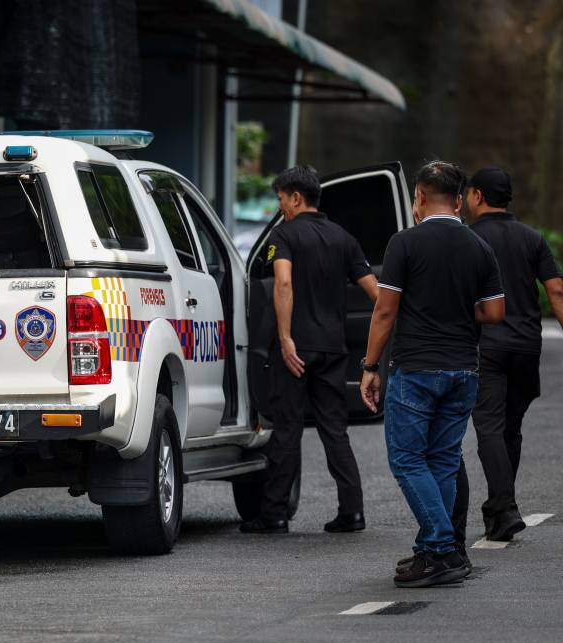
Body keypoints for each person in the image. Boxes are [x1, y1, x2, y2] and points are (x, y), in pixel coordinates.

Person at [360, 160, 504, 588]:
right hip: (464, 369)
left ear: (418, 198)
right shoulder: (479, 247)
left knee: (406, 460)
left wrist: (370, 366)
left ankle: (440, 547)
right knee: (442, 459)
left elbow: (385, 310)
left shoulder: (404, 243)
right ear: (460, 200)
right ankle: (432, 552)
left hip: (417, 369)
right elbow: (494, 311)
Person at [240, 165, 379, 535]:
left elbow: (282, 283)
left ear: (296, 197)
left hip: (296, 352)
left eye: (281, 198)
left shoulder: (283, 235)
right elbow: (377, 294)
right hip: (333, 349)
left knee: (287, 430)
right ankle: (352, 512)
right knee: (335, 430)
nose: (281, 205)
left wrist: (285, 338)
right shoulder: (343, 238)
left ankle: (274, 514)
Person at [465, 167, 563, 540]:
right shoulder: (532, 238)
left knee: (488, 426)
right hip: (525, 345)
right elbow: (556, 292)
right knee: (511, 428)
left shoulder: (469, 239)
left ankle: (504, 508)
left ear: (476, 196)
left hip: (486, 344)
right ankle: (498, 506)